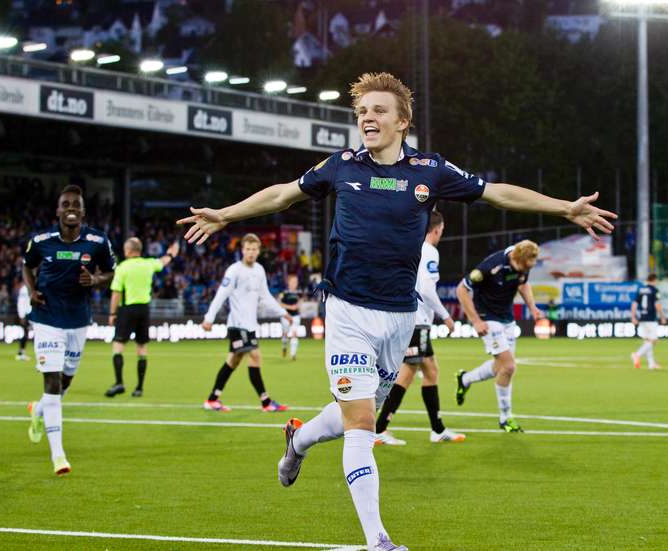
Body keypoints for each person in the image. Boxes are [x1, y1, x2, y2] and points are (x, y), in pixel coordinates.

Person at [177, 72, 616, 551]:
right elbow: (283, 193)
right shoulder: (341, 165)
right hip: (347, 310)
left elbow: (498, 192)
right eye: (362, 111)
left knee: (352, 413)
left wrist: (564, 208)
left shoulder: (430, 170)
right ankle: (378, 540)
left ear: (402, 121)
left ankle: (298, 441)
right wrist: (225, 215)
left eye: (379, 110)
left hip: (400, 317)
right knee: (362, 422)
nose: (367, 118)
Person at [23, 185, 116, 476]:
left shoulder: (98, 241)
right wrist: (31, 291)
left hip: (78, 320)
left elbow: (111, 272)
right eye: (66, 204)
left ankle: (38, 410)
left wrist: (96, 281)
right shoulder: (41, 241)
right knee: (52, 383)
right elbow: (27, 266)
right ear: (58, 210)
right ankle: (58, 456)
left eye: (76, 204)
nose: (71, 208)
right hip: (47, 318)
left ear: (83, 211)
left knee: (65, 381)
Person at [375, 210, 464, 445]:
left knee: (431, 370)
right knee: (407, 372)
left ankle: (437, 429)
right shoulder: (430, 251)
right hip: (416, 320)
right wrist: (446, 316)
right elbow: (425, 289)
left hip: (411, 318)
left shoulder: (412, 247)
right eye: (441, 230)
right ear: (436, 230)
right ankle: (379, 428)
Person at [455, 240, 544, 433]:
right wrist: (476, 320)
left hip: (507, 318)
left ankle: (465, 379)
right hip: (487, 318)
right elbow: (461, 290)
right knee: (509, 366)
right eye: (525, 266)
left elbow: (523, 284)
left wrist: (532, 308)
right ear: (517, 258)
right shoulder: (490, 267)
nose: (527, 269)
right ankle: (506, 418)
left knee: (500, 368)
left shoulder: (524, 263)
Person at [201, 233, 292, 413]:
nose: (250, 252)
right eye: (248, 249)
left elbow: (265, 297)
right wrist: (209, 318)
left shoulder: (259, 270)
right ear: (242, 250)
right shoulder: (234, 270)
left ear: (258, 251)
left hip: (250, 326)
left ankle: (212, 399)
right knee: (255, 356)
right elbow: (221, 295)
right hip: (237, 325)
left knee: (233, 361)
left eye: (254, 249)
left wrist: (282, 312)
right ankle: (266, 402)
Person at [104, 238, 180, 398]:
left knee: (118, 346)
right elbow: (162, 262)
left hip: (127, 309)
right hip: (144, 309)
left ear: (129, 251)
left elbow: (116, 293)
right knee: (142, 348)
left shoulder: (123, 267)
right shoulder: (148, 264)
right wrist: (171, 254)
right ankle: (139, 388)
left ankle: (119, 383)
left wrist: (112, 314)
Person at [630, 273, 666, 370]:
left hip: (642, 318)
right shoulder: (655, 290)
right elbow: (657, 305)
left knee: (647, 341)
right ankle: (637, 355)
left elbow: (634, 304)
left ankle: (651, 364)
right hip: (651, 318)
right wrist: (662, 316)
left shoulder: (641, 289)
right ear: (654, 280)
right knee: (653, 340)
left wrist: (633, 317)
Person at [279, 273, 303, 361]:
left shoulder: (299, 292)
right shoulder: (284, 292)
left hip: (296, 316)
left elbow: (301, 301)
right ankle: (284, 346)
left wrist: (298, 306)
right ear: (288, 282)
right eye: (293, 281)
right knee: (285, 334)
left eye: (296, 282)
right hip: (286, 316)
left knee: (294, 333)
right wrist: (290, 307)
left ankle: (293, 354)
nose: (294, 283)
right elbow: (280, 304)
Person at [15, 281, 32, 361]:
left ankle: (21, 353)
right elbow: (20, 303)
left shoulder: (34, 287)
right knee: (25, 334)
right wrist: (21, 316)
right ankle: (20, 354)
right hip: (27, 315)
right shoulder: (24, 289)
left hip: (34, 314)